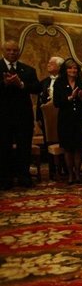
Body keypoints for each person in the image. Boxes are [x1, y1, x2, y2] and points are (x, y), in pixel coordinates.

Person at [0, 39, 40, 189]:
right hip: (3, 116)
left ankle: (24, 177)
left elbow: (37, 87)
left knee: (24, 148)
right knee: (4, 148)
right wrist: (5, 84)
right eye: (9, 50)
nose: (12, 53)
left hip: (23, 116)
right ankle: (5, 179)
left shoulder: (27, 70)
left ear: (19, 52)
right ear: (3, 51)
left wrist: (21, 84)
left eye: (15, 50)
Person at [52, 58, 82, 184]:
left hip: (79, 119)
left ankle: (78, 174)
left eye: (75, 68)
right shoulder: (59, 83)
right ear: (65, 70)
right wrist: (70, 98)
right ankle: (70, 175)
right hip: (65, 120)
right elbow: (56, 103)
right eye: (70, 68)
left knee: (78, 147)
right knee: (68, 148)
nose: (73, 70)